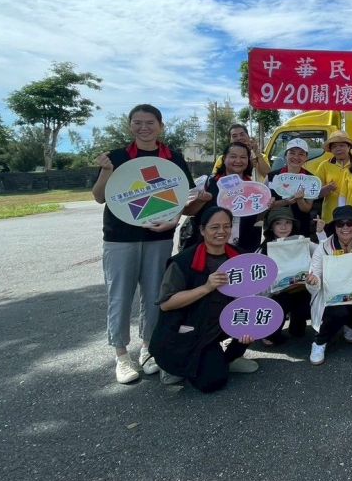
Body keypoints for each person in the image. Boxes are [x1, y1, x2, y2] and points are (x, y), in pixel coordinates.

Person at [92, 104, 197, 384]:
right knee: (120, 296)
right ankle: (121, 356)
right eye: (137, 122)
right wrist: (106, 171)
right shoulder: (116, 157)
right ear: (130, 126)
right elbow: (99, 197)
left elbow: (184, 198)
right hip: (119, 237)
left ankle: (148, 349)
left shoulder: (172, 158)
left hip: (159, 237)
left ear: (160, 126)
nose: (144, 127)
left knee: (154, 296)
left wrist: (173, 221)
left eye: (150, 122)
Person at [148, 206, 259, 392]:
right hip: (191, 329)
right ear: (202, 230)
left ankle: (228, 359)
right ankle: (175, 365)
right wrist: (206, 287)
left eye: (227, 226)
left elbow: (250, 294)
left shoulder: (240, 257)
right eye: (214, 227)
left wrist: (249, 325)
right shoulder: (183, 261)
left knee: (253, 325)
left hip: (219, 323)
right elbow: (166, 304)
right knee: (211, 382)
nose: (222, 231)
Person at [304, 205, 352, 365]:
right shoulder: (323, 247)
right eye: (340, 224)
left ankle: (347, 324)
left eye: (350, 223)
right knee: (339, 311)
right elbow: (315, 275)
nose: (345, 228)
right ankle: (319, 342)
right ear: (334, 227)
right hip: (330, 297)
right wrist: (314, 281)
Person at [182, 141, 263, 253]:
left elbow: (256, 218)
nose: (238, 161)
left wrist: (266, 206)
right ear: (224, 159)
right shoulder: (206, 183)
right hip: (207, 251)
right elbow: (185, 211)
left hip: (241, 250)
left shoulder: (254, 189)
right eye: (233, 156)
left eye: (243, 157)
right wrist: (200, 201)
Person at [260, 206, 313, 345]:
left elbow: (321, 252)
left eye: (287, 222)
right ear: (271, 227)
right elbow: (258, 282)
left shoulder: (301, 241)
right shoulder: (265, 248)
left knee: (300, 326)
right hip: (276, 294)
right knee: (280, 305)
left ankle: (297, 323)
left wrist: (320, 233)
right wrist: (275, 289)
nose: (283, 227)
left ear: (293, 225)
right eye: (278, 223)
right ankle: (269, 331)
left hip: (302, 289)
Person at [266, 137, 316, 238]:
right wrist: (285, 202)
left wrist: (300, 200)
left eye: (301, 154)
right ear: (285, 155)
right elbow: (266, 205)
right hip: (276, 228)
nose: (296, 157)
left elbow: (307, 208)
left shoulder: (311, 179)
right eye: (292, 153)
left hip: (301, 226)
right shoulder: (272, 176)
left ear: (306, 157)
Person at [316, 130, 352, 225]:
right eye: (334, 146)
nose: (338, 149)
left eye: (342, 145)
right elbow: (314, 193)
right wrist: (326, 189)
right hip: (330, 217)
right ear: (331, 150)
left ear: (349, 147)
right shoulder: (324, 166)